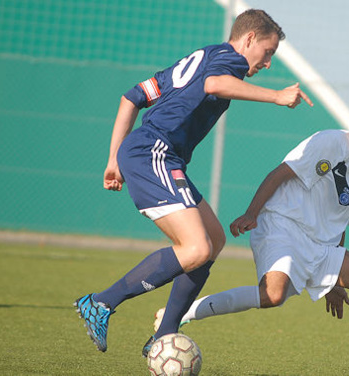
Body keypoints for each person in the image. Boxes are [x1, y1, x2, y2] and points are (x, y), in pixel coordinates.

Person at [73, 8, 313, 355]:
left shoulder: (204, 56)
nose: (268, 62)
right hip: (153, 152)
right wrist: (276, 95)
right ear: (248, 39)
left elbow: (132, 97)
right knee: (196, 248)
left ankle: (164, 333)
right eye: (268, 51)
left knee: (213, 241)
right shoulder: (229, 60)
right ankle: (102, 302)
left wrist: (113, 158)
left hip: (155, 155)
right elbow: (214, 84)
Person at [154, 99, 349, 376]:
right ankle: (181, 313)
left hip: (320, 245)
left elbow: (339, 224)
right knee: (273, 295)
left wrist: (336, 282)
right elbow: (280, 174)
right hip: (282, 225)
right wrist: (252, 213)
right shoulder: (330, 143)